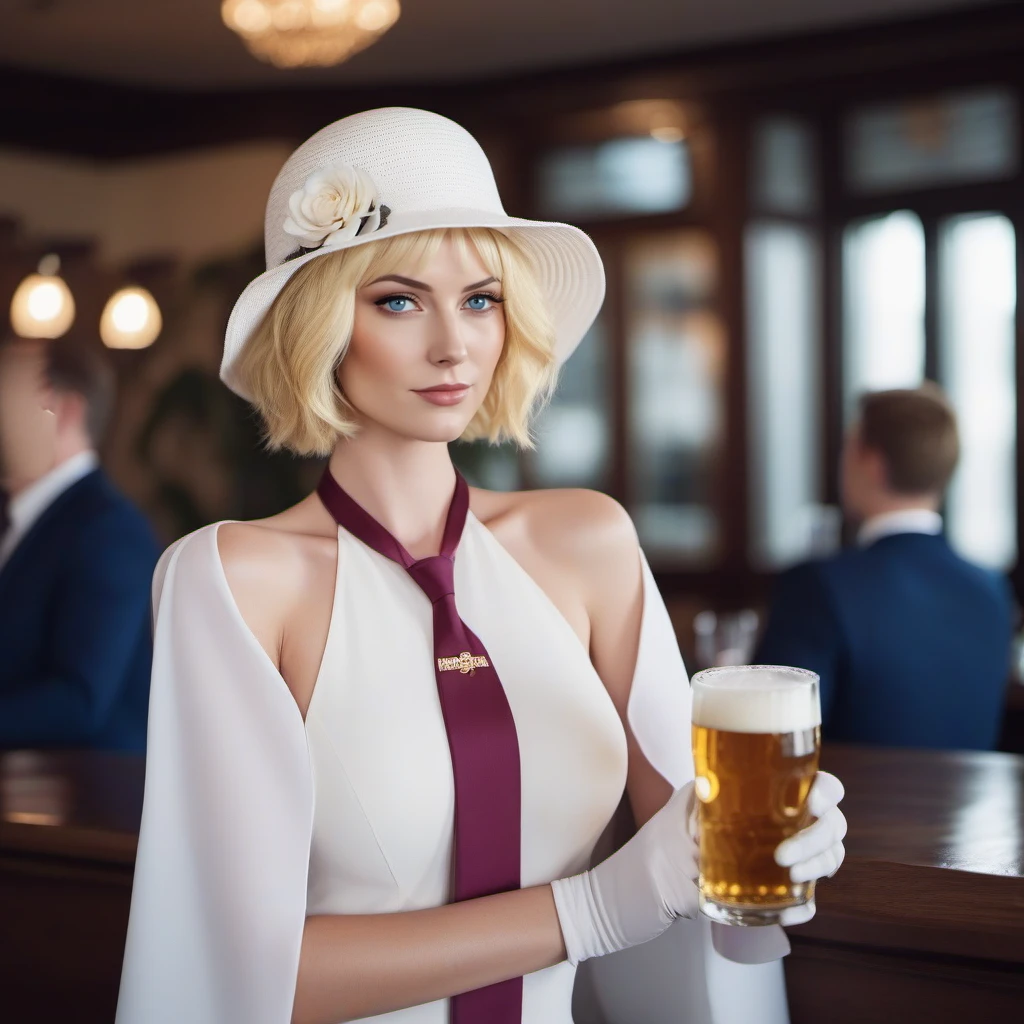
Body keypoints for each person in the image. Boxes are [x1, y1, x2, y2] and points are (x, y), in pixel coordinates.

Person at [116, 108, 847, 1024]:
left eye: (480, 299)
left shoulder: (589, 543)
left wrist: (780, 858)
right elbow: (247, 976)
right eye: (397, 300)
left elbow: (699, 886)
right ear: (320, 330)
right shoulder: (234, 579)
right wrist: (590, 908)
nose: (453, 345)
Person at [756, 385, 1014, 751]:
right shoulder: (992, 590)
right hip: (968, 807)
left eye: (849, 446)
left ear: (873, 464)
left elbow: (771, 732)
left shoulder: (819, 585)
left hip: (855, 807)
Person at [0, 336, 159, 752]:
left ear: (65, 411)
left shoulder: (109, 530)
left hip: (77, 801)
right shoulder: (13, 513)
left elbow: (78, 699)